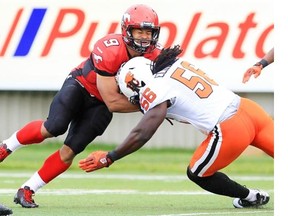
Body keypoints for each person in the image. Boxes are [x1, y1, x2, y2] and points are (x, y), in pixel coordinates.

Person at [0, 4, 162, 208]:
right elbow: (112, 100)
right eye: (139, 31)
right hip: (82, 86)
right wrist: (151, 104)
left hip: (101, 104)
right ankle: (7, 146)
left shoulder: (157, 56)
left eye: (149, 32)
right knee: (53, 127)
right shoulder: (110, 48)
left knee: (70, 151)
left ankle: (28, 189)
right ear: (126, 30)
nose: (144, 37)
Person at [78, 45, 274, 208]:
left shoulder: (152, 86)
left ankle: (250, 197)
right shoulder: (172, 64)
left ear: (134, 83)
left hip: (229, 128)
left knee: (198, 173)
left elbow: (143, 132)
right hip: (250, 110)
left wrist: (110, 157)